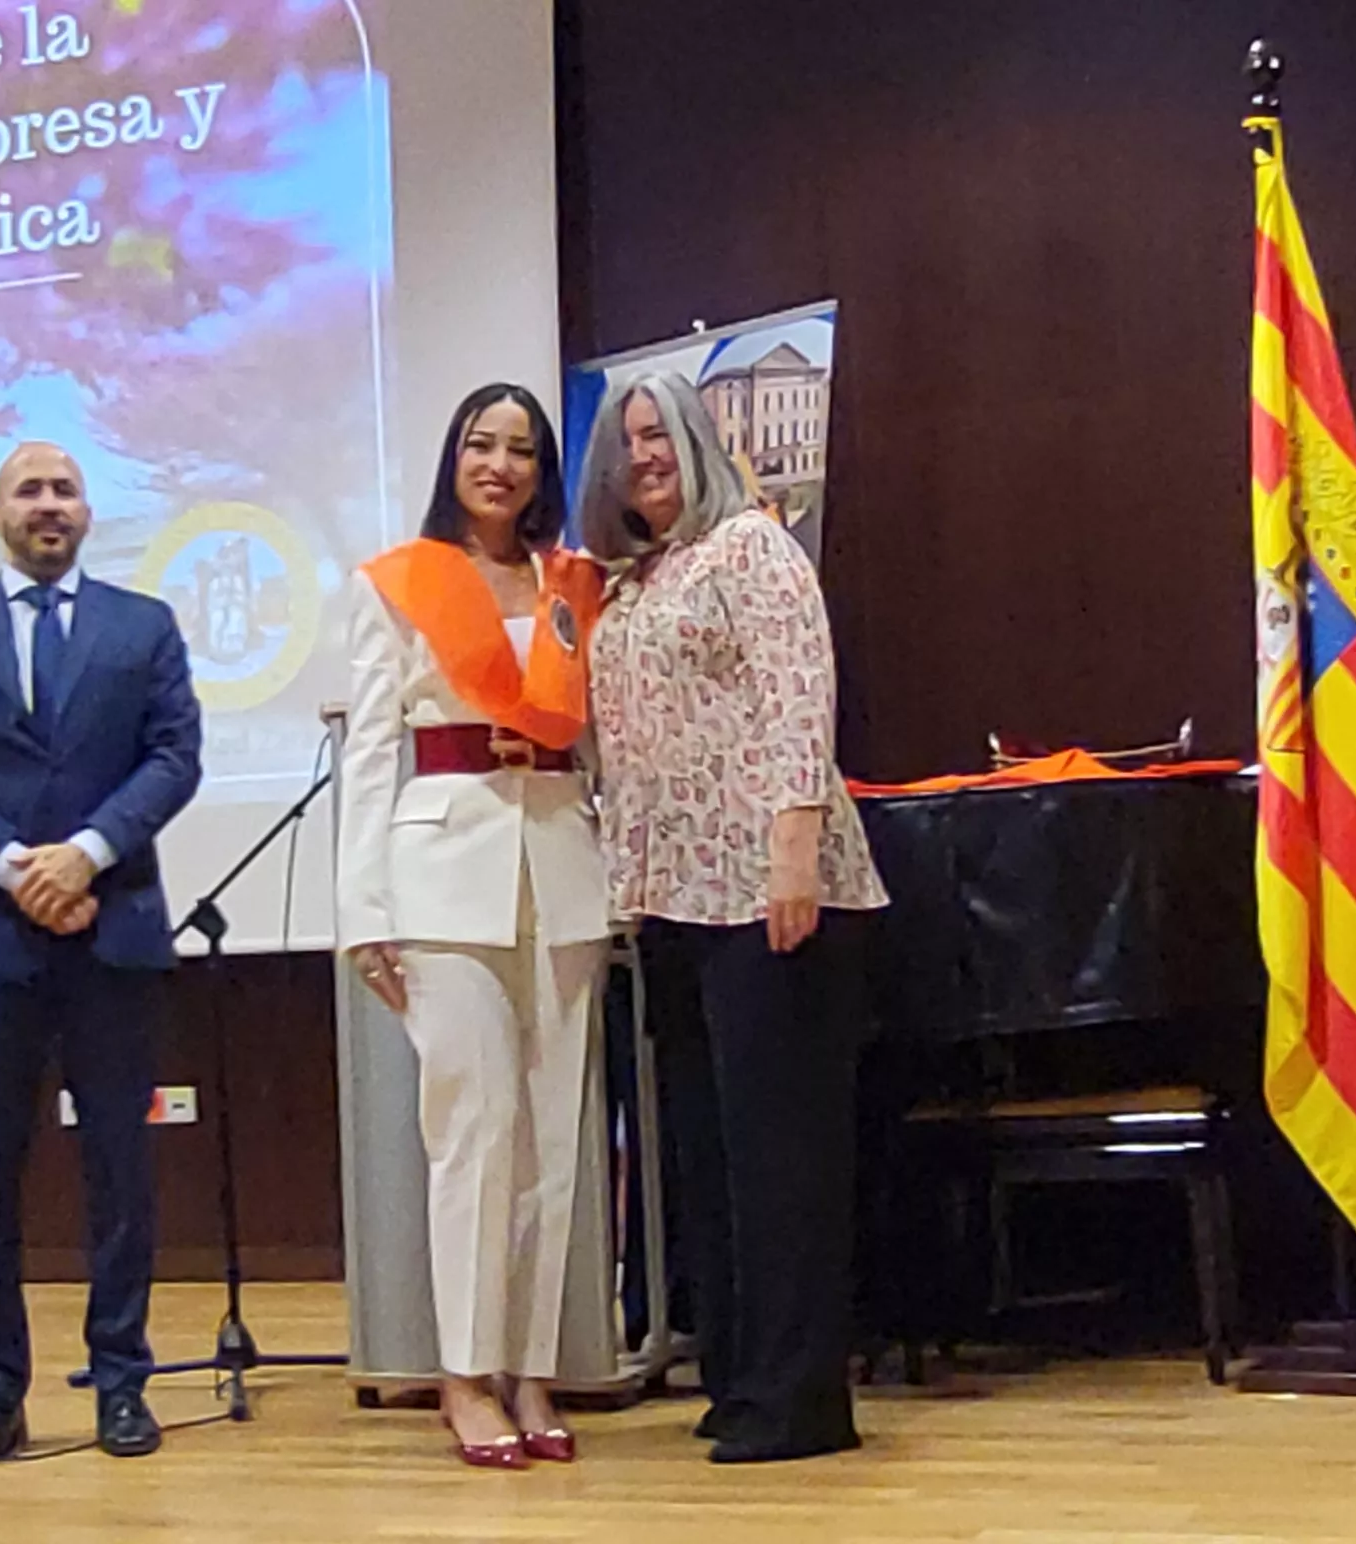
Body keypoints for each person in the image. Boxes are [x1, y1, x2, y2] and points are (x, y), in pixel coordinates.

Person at [581, 373, 888, 1465]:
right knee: (707, 1156)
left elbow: (800, 694)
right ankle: (740, 1377)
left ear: (699, 441)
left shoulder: (751, 546)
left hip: (771, 891)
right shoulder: (630, 580)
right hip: (673, 899)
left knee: (780, 1157)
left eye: (661, 433)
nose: (645, 455)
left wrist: (790, 851)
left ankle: (800, 1400)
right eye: (627, 441)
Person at [0, 441, 205, 1464]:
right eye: (29, 490)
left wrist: (87, 853)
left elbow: (174, 756)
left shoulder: (142, 626)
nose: (48, 504)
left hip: (115, 927)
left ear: (87, 512)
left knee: (119, 1167)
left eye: (64, 489)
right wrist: (12, 863)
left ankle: (122, 1382)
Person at [338, 384, 610, 1470]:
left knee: (552, 1136)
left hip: (562, 861)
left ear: (543, 471)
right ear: (453, 457)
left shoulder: (572, 583)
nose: (498, 465)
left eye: (520, 450)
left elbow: (601, 739)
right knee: (473, 1125)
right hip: (440, 869)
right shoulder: (399, 582)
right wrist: (362, 911)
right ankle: (462, 1371)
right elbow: (368, 752)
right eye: (480, 445)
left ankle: (530, 1367)